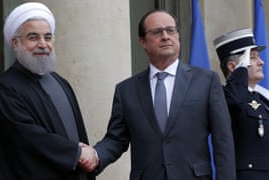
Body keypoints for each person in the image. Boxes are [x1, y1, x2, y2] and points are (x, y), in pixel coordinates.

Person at [80, 9, 236, 179]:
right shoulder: (126, 90)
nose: (165, 36)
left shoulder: (206, 81)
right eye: (157, 32)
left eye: (171, 30)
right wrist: (96, 155)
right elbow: (116, 139)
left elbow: (223, 141)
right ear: (142, 41)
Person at [0, 2, 97, 180]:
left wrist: (85, 155)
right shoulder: (4, 88)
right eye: (33, 38)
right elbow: (26, 140)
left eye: (47, 38)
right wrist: (75, 154)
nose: (43, 44)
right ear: (15, 43)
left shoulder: (61, 83)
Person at [214, 28, 269, 180]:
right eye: (252, 58)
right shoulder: (224, 95)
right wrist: (240, 72)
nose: (261, 62)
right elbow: (236, 101)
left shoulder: (262, 98)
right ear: (233, 67)